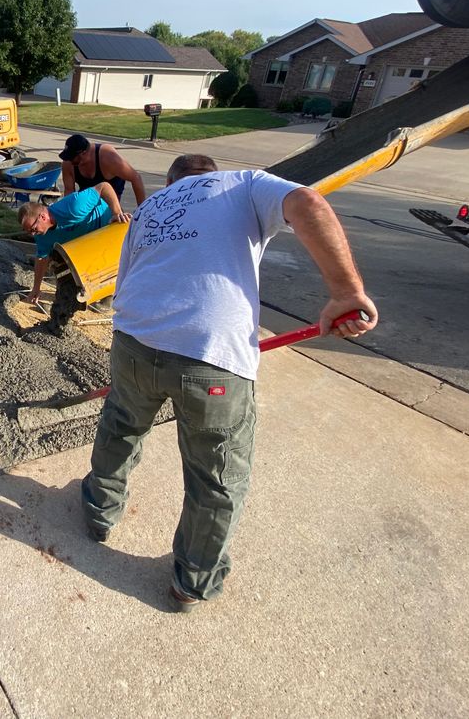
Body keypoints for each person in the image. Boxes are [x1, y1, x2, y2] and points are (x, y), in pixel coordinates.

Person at [81, 153, 377, 612]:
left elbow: (127, 277)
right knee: (215, 473)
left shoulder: (154, 206)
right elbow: (310, 205)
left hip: (133, 341)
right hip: (210, 356)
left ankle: (99, 512)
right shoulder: (243, 184)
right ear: (211, 175)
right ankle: (192, 580)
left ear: (175, 180)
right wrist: (345, 293)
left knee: (121, 425)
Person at [19, 182, 130, 305]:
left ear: (43, 217)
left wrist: (117, 213)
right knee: (61, 262)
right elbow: (41, 259)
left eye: (33, 229)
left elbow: (103, 187)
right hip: (87, 240)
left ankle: (109, 293)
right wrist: (36, 288)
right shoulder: (42, 236)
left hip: (109, 226)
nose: (33, 234)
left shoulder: (73, 206)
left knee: (113, 267)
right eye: (30, 232)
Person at [60, 134, 146, 206]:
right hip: (87, 199)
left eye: (72, 157)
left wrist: (141, 211)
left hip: (111, 202)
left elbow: (136, 178)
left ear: (83, 153)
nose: (69, 161)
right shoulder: (68, 163)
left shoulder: (108, 158)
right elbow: (69, 191)